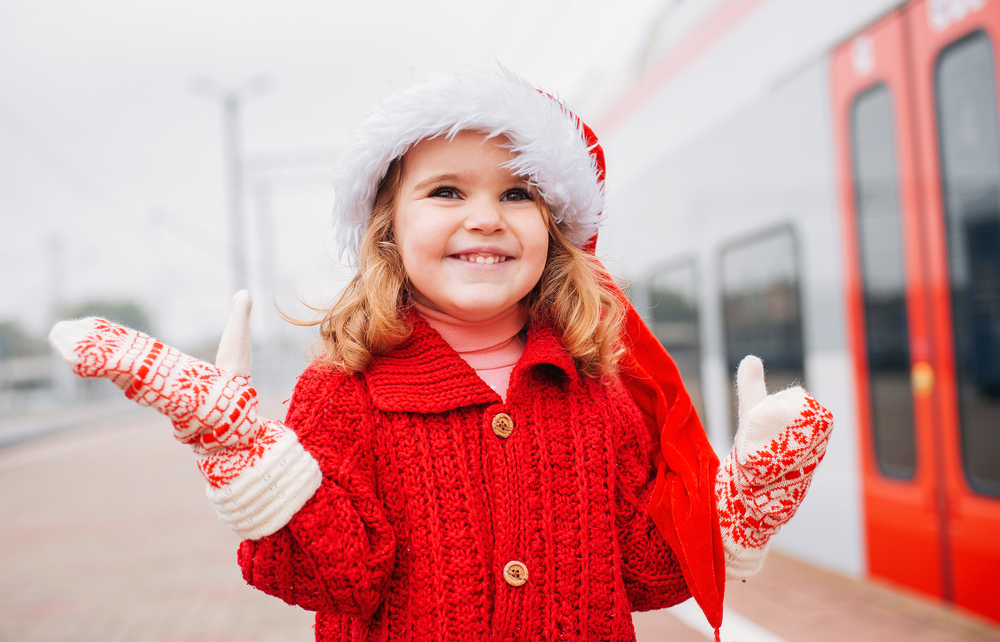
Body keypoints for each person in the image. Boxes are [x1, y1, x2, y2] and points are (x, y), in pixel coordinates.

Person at [49, 66, 833, 642]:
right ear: (388, 226)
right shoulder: (344, 392)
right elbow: (335, 578)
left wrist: (742, 504)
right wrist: (242, 450)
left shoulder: (597, 390)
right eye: (447, 192)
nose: (485, 217)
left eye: (517, 193)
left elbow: (644, 570)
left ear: (555, 231)